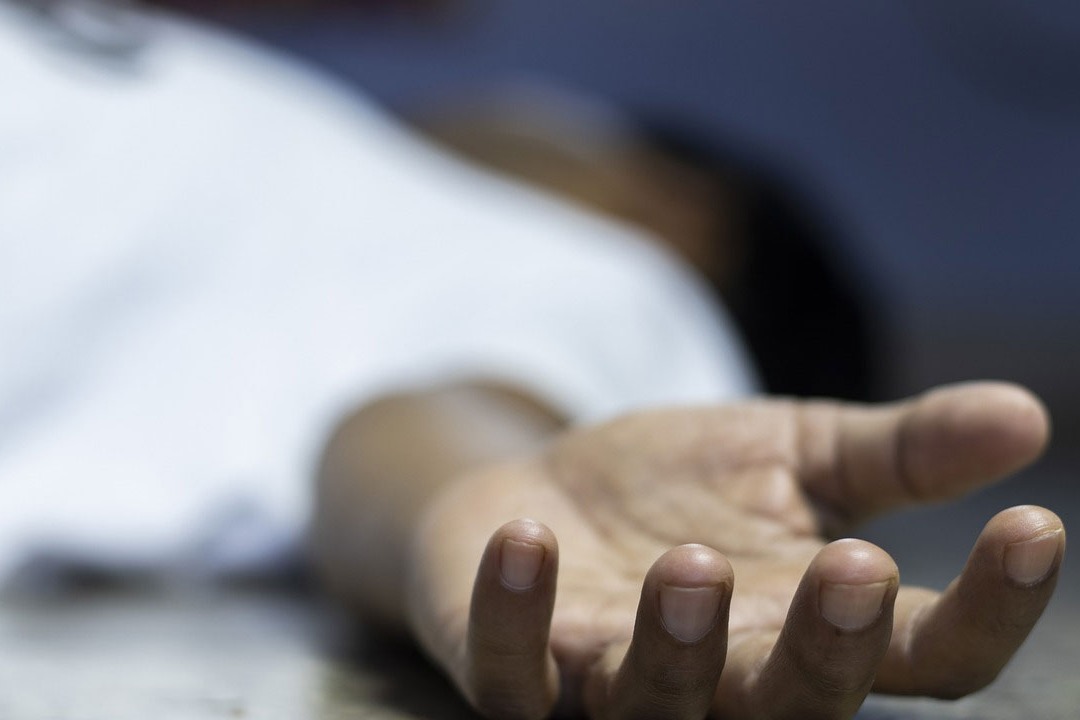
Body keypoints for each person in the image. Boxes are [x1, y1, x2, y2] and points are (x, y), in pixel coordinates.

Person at [0, 1, 1065, 718]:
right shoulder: (321, 163)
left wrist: (502, 500)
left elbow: (460, 416)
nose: (502, 106)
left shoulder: (600, 272)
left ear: (675, 207)